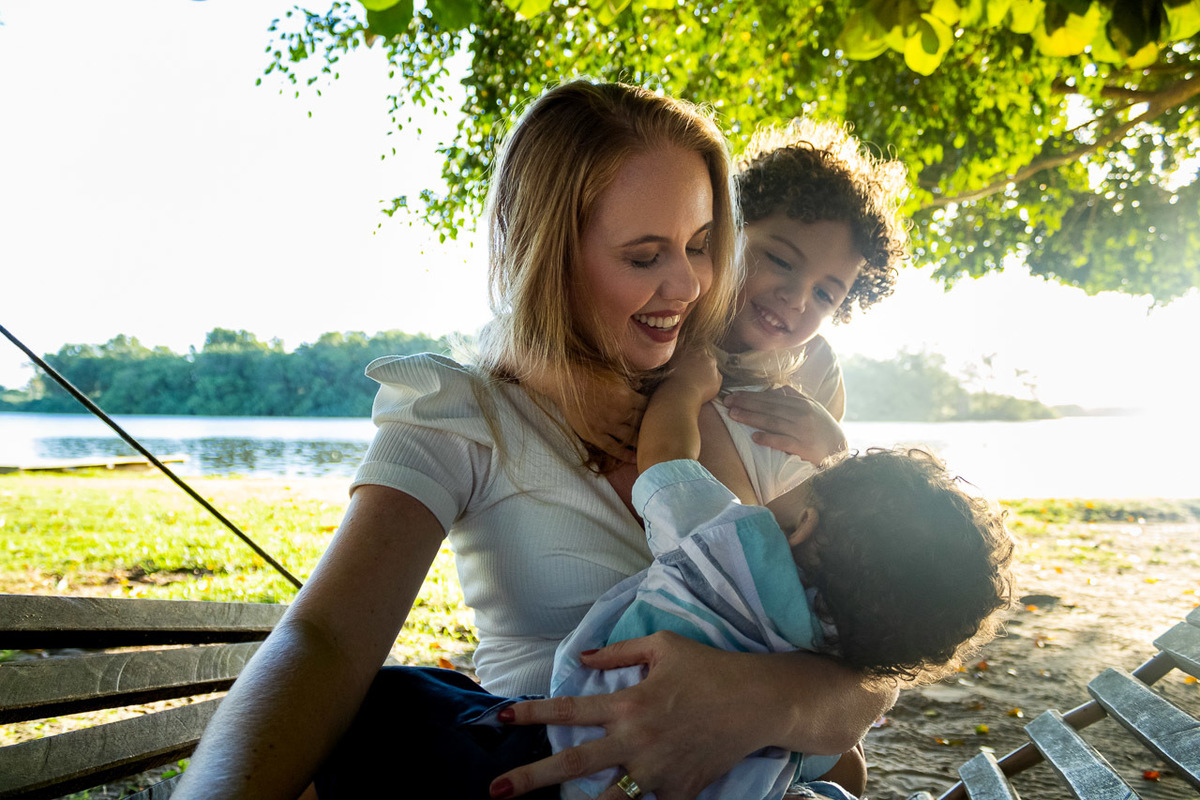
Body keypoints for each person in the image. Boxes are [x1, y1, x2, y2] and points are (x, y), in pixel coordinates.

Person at [172, 80, 895, 800]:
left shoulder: (752, 414)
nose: (689, 285)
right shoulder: (464, 410)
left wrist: (748, 702)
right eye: (645, 256)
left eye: (703, 246)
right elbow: (323, 642)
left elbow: (867, 681)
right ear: (546, 249)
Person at [547, 349, 1014, 800]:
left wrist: (686, 387)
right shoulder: (840, 649)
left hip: (583, 747)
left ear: (804, 525)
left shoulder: (736, 546)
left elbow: (665, 460)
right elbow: (827, 759)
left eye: (803, 484)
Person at [718, 118, 909, 465]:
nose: (796, 299)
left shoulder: (817, 370)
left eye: (824, 295)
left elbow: (820, 487)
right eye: (781, 260)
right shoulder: (672, 318)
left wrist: (833, 449)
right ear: (732, 228)